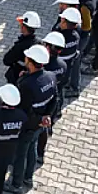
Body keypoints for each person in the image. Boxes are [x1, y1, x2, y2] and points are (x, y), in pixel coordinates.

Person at [5, 45, 57, 194]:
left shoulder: (27, 85)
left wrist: (21, 80)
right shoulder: (51, 77)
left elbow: (23, 110)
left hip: (29, 125)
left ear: (31, 62)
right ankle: (28, 177)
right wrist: (46, 117)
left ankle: (16, 184)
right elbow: (55, 99)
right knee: (32, 149)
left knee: (21, 153)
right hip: (41, 124)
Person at [36, 32, 67, 165]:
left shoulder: (44, 67)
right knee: (46, 128)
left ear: (49, 48)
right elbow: (64, 83)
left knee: (40, 130)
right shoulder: (63, 65)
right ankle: (41, 154)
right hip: (54, 101)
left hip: (41, 104)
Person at [3, 11, 41, 85]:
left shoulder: (20, 46)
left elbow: (6, 60)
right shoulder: (40, 43)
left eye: (21, 24)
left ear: (23, 27)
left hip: (18, 77)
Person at [57, 7, 82, 98]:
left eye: (62, 20)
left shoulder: (59, 37)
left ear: (64, 22)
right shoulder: (76, 36)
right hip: (67, 69)